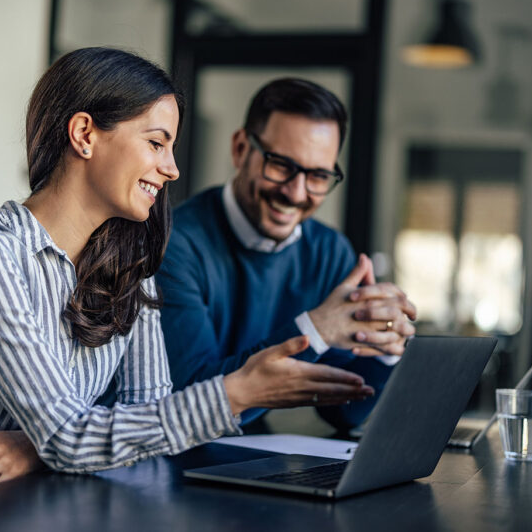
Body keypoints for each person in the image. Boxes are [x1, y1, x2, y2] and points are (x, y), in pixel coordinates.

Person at [0, 49, 374, 504]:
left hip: (39, 506)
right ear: (85, 135)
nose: (173, 168)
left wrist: (41, 444)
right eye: (157, 143)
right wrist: (237, 391)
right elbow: (70, 437)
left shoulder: (127, 268)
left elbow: (149, 421)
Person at [155, 78, 417, 431]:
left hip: (257, 458)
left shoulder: (329, 251)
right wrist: (316, 331)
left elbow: (342, 412)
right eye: (281, 165)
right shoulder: (173, 242)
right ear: (240, 148)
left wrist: (386, 346)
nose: (296, 193)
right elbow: (188, 398)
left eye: (318, 176)